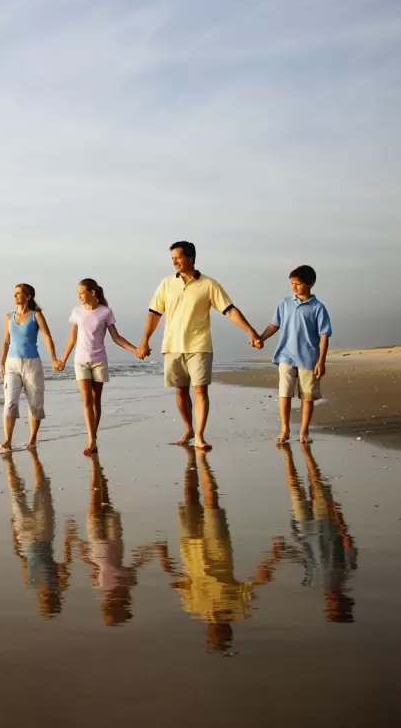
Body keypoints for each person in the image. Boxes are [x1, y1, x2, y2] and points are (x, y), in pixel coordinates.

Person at [141, 447, 288, 653]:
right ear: (228, 633)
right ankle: (202, 461)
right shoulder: (238, 608)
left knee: (190, 497)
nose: (215, 634)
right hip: (218, 547)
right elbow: (257, 581)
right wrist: (274, 556)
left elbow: (179, 580)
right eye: (219, 638)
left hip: (190, 549)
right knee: (211, 502)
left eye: (213, 638)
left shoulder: (193, 608)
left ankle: (193, 459)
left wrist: (163, 555)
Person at [137, 241, 262, 450]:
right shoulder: (167, 284)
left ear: (191, 258)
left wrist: (250, 331)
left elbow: (229, 310)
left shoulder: (209, 284)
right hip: (172, 346)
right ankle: (188, 428)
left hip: (199, 345)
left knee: (200, 390)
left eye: (178, 257)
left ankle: (200, 435)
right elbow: (154, 313)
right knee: (180, 391)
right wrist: (144, 341)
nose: (174, 262)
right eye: (172, 259)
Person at [55, 279, 139, 454]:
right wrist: (63, 359)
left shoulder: (105, 312)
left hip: (99, 360)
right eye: (78, 293)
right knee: (86, 400)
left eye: (81, 292)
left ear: (92, 293)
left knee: (95, 400)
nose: (79, 296)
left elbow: (116, 337)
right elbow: (72, 338)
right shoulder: (76, 312)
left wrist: (135, 350)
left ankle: (93, 436)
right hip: (81, 360)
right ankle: (91, 439)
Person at [279, 442, 357, 623]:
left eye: (329, 608)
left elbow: (304, 558)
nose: (329, 603)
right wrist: (339, 517)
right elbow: (347, 541)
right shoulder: (347, 571)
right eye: (334, 606)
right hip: (326, 524)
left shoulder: (312, 582)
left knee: (295, 490)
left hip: (304, 529)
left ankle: (288, 457)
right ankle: (306, 454)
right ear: (343, 601)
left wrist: (283, 552)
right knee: (316, 485)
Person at [257, 265, 333, 444]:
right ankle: (285, 430)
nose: (294, 287)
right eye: (292, 283)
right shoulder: (284, 303)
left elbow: (324, 336)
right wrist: (261, 337)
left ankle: (304, 431)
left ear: (310, 283)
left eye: (298, 284)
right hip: (286, 355)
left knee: (307, 396)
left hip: (309, 358)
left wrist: (321, 362)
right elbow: (274, 325)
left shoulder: (318, 308)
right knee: (285, 393)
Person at [1, 451, 75, 619]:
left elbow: (22, 559)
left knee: (16, 494)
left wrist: (14, 533)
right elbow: (65, 562)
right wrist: (68, 539)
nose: (43, 597)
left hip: (24, 537)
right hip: (43, 535)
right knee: (41, 491)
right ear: (55, 599)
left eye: (42, 601)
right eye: (46, 600)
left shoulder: (31, 583)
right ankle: (34, 457)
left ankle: (10, 464)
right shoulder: (59, 583)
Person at [73, 453, 144, 626]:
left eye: (108, 603)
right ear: (123, 600)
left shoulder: (98, 586)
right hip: (113, 539)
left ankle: (95, 472)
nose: (109, 598)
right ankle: (99, 475)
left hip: (96, 541)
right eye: (113, 602)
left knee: (94, 505)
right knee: (106, 504)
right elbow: (136, 563)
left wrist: (79, 546)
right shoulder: (128, 582)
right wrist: (152, 550)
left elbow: (92, 565)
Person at [0, 283, 58, 451]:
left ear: (28, 296)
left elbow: (47, 337)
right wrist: (2, 362)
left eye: (18, 293)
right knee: (10, 402)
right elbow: (5, 341)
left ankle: (32, 439)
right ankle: (7, 440)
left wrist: (53, 358)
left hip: (32, 363)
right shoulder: (8, 317)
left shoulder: (36, 316)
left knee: (35, 403)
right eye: (14, 293)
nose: (15, 296)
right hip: (12, 364)